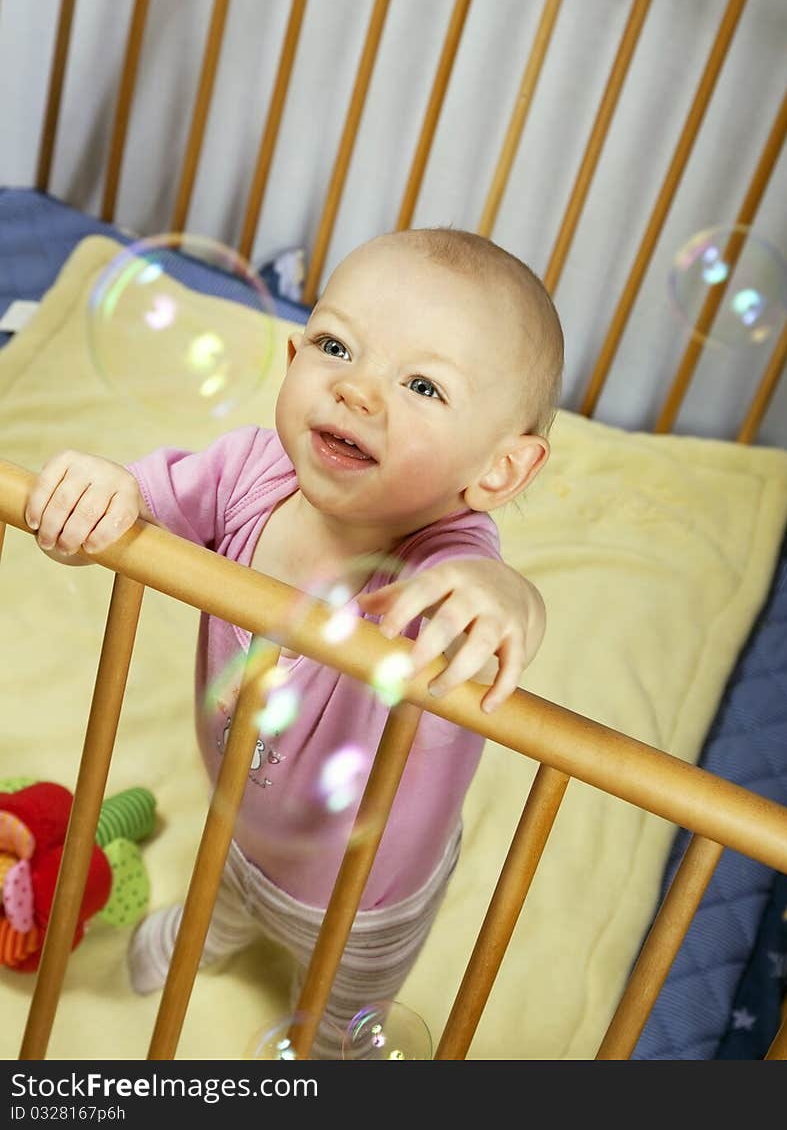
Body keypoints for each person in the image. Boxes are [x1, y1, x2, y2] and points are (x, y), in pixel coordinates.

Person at [25, 226, 564, 1057]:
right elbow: (139, 506)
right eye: (335, 344)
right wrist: (103, 491)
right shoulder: (249, 472)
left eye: (422, 384)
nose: (355, 390)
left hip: (365, 895)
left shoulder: (445, 569)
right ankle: (208, 932)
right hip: (241, 815)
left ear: (497, 470)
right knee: (224, 889)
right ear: (291, 356)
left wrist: (505, 599)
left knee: (341, 1013)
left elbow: (499, 606)